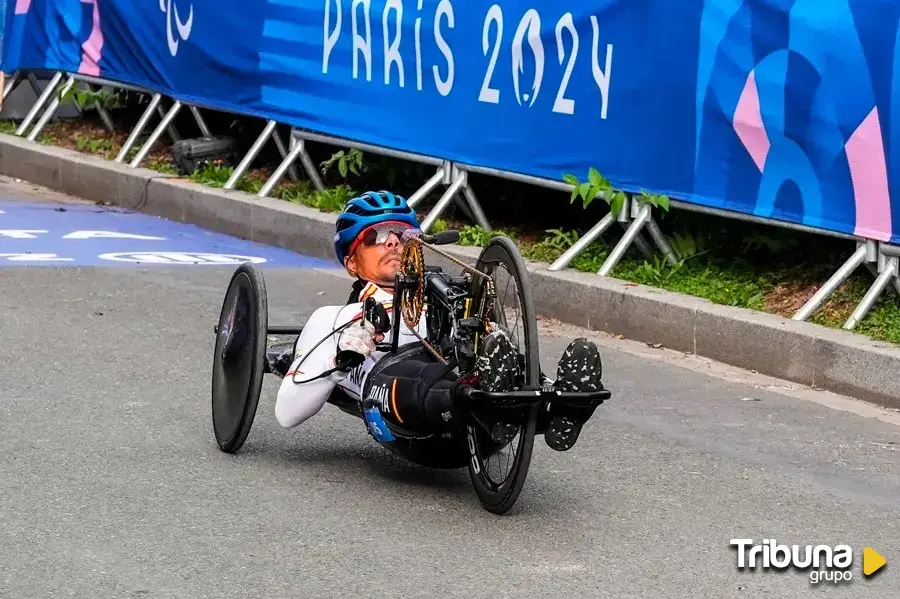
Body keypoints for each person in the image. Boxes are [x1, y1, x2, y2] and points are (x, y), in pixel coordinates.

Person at [270, 190, 605, 451]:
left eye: (403, 235)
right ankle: (483, 401)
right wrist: (340, 360)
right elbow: (287, 414)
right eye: (375, 236)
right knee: (411, 375)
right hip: (405, 416)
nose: (392, 242)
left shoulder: (445, 295)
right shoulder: (333, 319)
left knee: (493, 351)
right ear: (352, 264)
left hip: (475, 425)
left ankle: (563, 403)